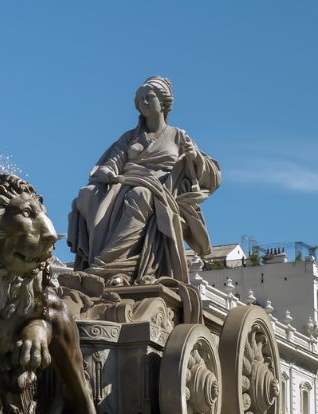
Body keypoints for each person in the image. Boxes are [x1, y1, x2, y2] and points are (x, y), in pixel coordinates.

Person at [67, 76, 220, 285]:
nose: (143, 102)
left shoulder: (178, 136)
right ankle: (108, 265)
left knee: (140, 194)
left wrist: (194, 157)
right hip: (125, 183)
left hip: (161, 189)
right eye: (139, 99)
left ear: (164, 102)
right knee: (88, 194)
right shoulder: (130, 137)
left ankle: (107, 266)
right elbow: (112, 161)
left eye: (148, 97)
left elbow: (212, 177)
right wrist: (107, 172)